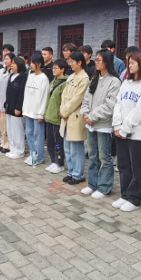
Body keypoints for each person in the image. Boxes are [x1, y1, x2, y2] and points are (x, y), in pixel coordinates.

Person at [112, 51, 141, 211]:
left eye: (133, 63)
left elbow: (139, 110)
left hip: (136, 133)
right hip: (120, 130)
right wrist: (117, 126)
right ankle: (125, 195)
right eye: (128, 63)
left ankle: (134, 198)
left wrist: (125, 129)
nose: (129, 65)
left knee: (136, 167)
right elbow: (118, 104)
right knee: (123, 165)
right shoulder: (126, 82)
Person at [80, 50, 121, 199]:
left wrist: (92, 116)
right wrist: (85, 114)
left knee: (105, 157)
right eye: (96, 60)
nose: (96, 62)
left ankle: (104, 187)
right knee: (93, 155)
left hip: (103, 125)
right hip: (90, 124)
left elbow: (110, 105)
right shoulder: (94, 78)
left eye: (99, 60)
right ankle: (92, 184)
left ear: (107, 62)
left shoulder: (114, 81)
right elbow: (86, 99)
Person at [59, 52, 89, 184]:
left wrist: (65, 111)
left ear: (80, 62)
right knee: (67, 147)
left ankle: (78, 174)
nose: (70, 64)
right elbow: (64, 95)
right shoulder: (71, 77)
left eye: (72, 62)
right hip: (66, 115)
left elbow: (77, 99)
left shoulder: (84, 79)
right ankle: (71, 172)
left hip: (75, 116)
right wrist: (62, 110)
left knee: (76, 148)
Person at [22, 54, 50, 166]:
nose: (31, 65)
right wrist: (24, 109)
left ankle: (40, 157)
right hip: (28, 110)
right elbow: (26, 93)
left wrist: (40, 114)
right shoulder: (30, 76)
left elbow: (44, 97)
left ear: (40, 64)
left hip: (37, 112)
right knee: (29, 133)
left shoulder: (44, 79)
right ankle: (33, 154)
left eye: (33, 63)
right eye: (30, 63)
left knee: (38, 136)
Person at [44, 59, 68, 174]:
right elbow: (48, 100)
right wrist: (45, 113)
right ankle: (53, 161)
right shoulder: (53, 82)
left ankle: (60, 163)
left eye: (56, 68)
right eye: (53, 68)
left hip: (57, 118)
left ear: (62, 69)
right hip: (49, 116)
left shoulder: (65, 84)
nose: (53, 70)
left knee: (58, 142)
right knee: (50, 142)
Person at [4, 56, 28, 160]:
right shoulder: (11, 76)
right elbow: (8, 92)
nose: (12, 65)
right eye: (12, 63)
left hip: (16, 108)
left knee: (17, 130)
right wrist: (6, 104)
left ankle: (19, 151)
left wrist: (19, 107)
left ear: (20, 65)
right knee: (10, 129)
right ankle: (13, 149)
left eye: (14, 64)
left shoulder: (23, 77)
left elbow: (21, 94)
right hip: (9, 106)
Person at [0, 52, 15, 154]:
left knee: (7, 124)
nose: (5, 61)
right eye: (5, 59)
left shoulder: (12, 73)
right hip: (2, 100)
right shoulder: (3, 71)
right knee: (2, 123)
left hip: (8, 102)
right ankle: (3, 141)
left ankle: (8, 144)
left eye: (8, 59)